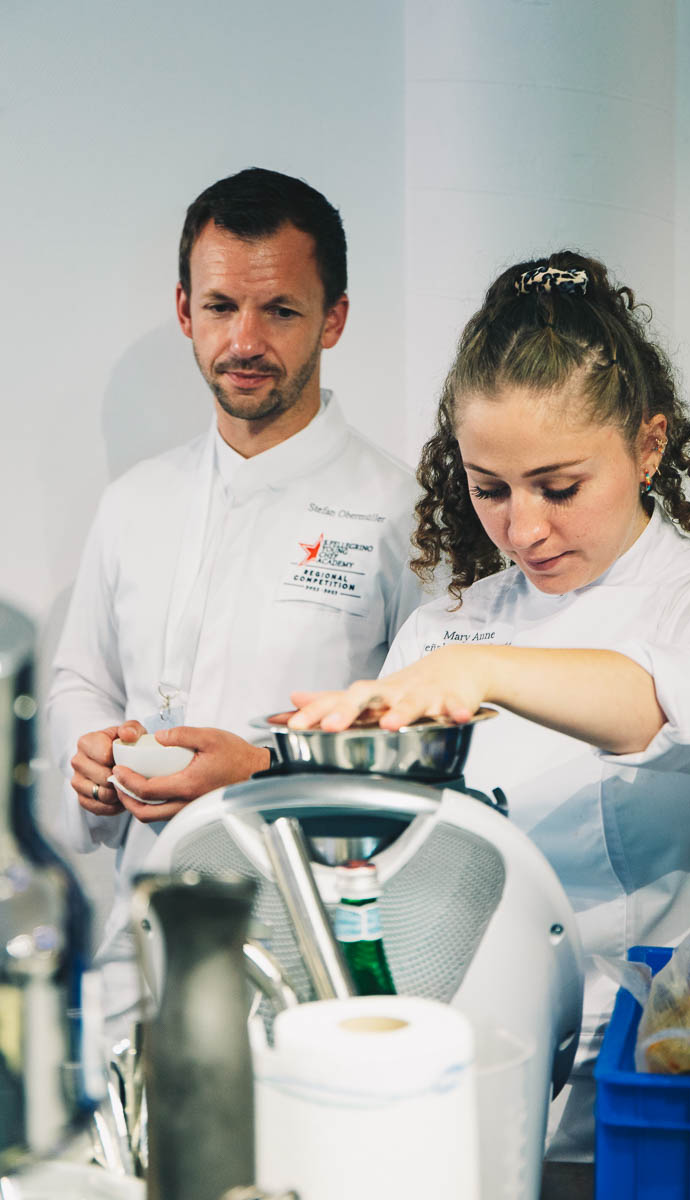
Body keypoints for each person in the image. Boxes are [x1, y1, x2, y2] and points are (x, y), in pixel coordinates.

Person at [286, 251, 690, 1158]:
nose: (523, 529)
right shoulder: (446, 636)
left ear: (649, 444)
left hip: (689, 1097)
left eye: (560, 488)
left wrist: (493, 673)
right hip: (487, 1093)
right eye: (489, 489)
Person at [47, 168, 422, 1029]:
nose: (244, 340)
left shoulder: (400, 513)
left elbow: (428, 749)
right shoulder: (134, 502)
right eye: (220, 307)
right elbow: (82, 681)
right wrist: (93, 758)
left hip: (316, 947)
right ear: (185, 310)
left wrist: (260, 770)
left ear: (334, 318)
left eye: (280, 311)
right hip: (143, 938)